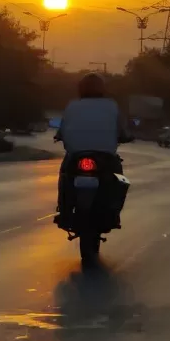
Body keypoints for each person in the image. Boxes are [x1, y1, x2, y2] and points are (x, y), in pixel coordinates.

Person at [54, 73, 131, 226]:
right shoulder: (112, 105)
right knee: (119, 179)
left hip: (75, 155)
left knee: (65, 176)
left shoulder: (72, 105)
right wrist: (127, 136)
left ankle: (63, 209)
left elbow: (62, 129)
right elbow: (122, 130)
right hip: (106, 156)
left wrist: (60, 136)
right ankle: (113, 213)